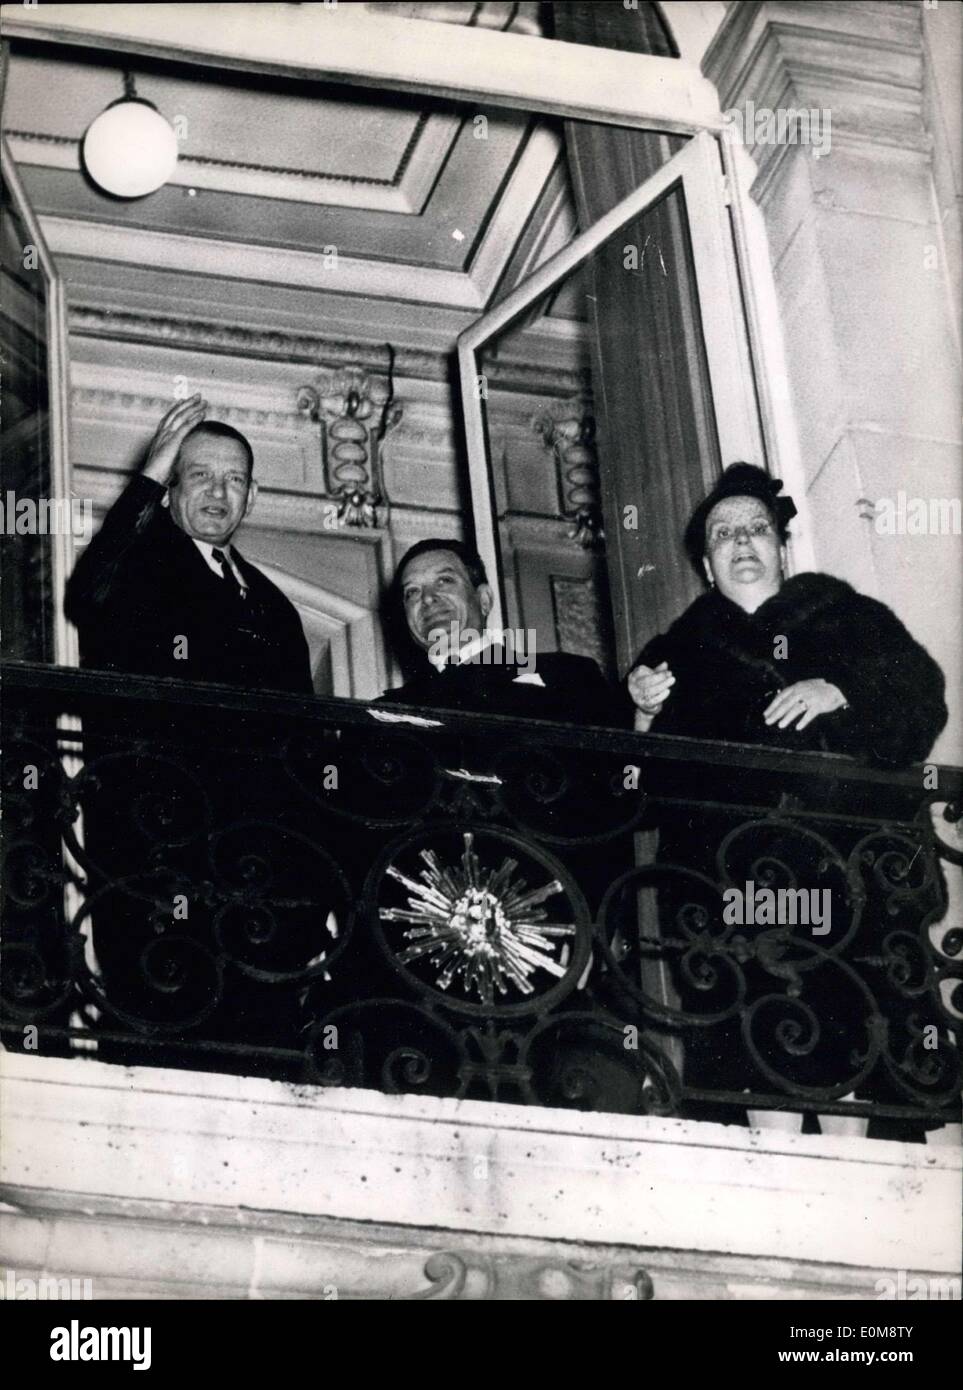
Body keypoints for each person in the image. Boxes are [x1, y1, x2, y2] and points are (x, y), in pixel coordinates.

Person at [620, 463, 949, 1132]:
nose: (741, 543)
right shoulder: (676, 651)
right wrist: (641, 715)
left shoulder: (846, 618)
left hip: (844, 875)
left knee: (845, 1037)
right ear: (705, 564)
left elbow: (921, 700)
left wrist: (842, 691)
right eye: (722, 534)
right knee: (762, 1047)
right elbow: (640, 787)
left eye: (756, 529)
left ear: (780, 546)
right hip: (733, 895)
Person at [66, 394, 312, 694]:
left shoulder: (276, 608)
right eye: (200, 475)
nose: (218, 492)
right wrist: (152, 476)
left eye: (234, 479)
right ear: (167, 492)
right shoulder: (138, 569)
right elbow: (87, 594)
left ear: (250, 496)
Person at [379, 538, 631, 727]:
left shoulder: (568, 674)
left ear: (484, 599)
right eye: (412, 591)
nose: (428, 599)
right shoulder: (386, 713)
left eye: (444, 581)